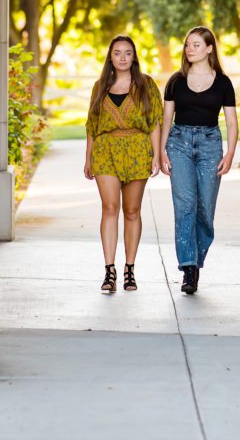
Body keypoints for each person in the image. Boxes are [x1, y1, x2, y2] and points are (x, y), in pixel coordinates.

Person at [159, 26, 238, 294]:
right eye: (187, 45)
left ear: (209, 49)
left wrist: (230, 153)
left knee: (205, 210)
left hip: (210, 145)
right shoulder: (175, 81)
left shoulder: (224, 83)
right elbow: (165, 120)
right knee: (185, 207)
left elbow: (231, 122)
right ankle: (188, 268)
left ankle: (196, 259)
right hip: (178, 144)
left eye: (195, 45)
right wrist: (161, 151)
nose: (189, 49)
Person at [84, 36, 163, 293]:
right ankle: (109, 270)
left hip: (138, 149)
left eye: (127, 53)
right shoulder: (100, 87)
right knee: (109, 208)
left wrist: (156, 154)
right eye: (117, 53)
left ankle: (130, 268)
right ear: (110, 56)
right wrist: (88, 157)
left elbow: (154, 122)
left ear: (134, 57)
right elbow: (92, 125)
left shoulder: (146, 85)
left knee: (132, 211)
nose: (122, 57)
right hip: (106, 150)